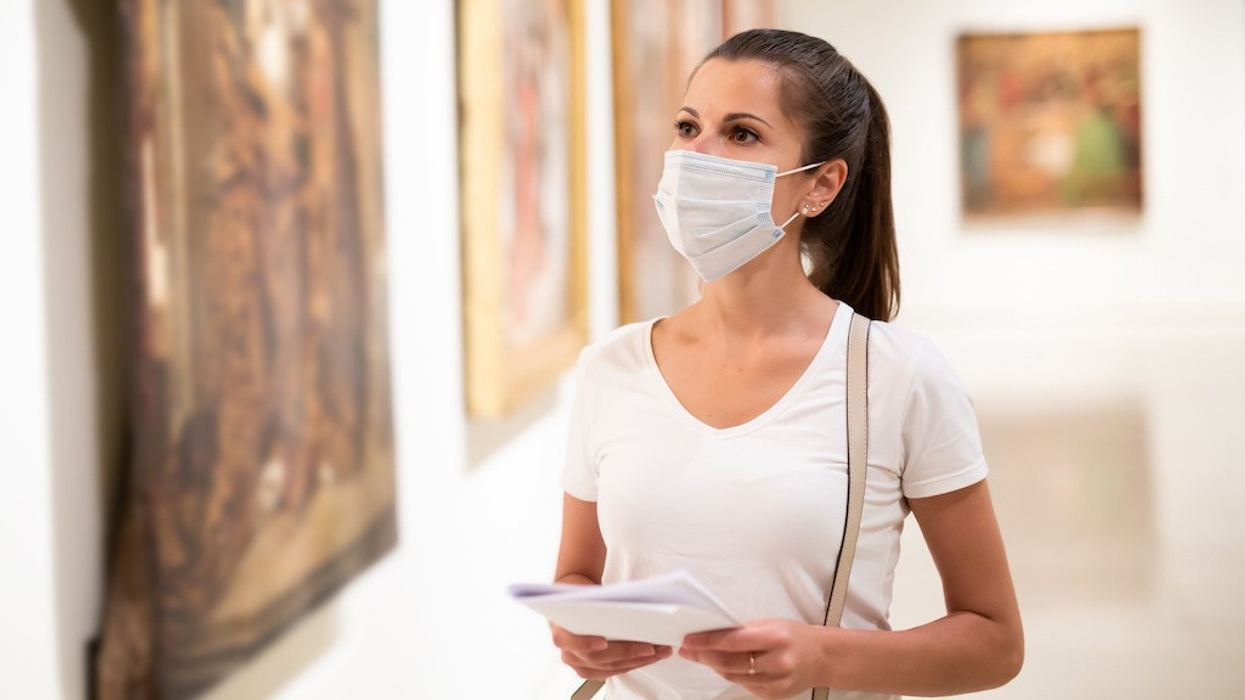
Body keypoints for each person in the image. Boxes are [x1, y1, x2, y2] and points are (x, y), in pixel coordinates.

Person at [551, 28, 1023, 700]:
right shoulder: (611, 367)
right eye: (688, 126)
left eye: (741, 134)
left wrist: (822, 657)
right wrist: (580, 628)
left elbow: (995, 642)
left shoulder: (897, 377)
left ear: (821, 185)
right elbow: (576, 577)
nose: (696, 156)